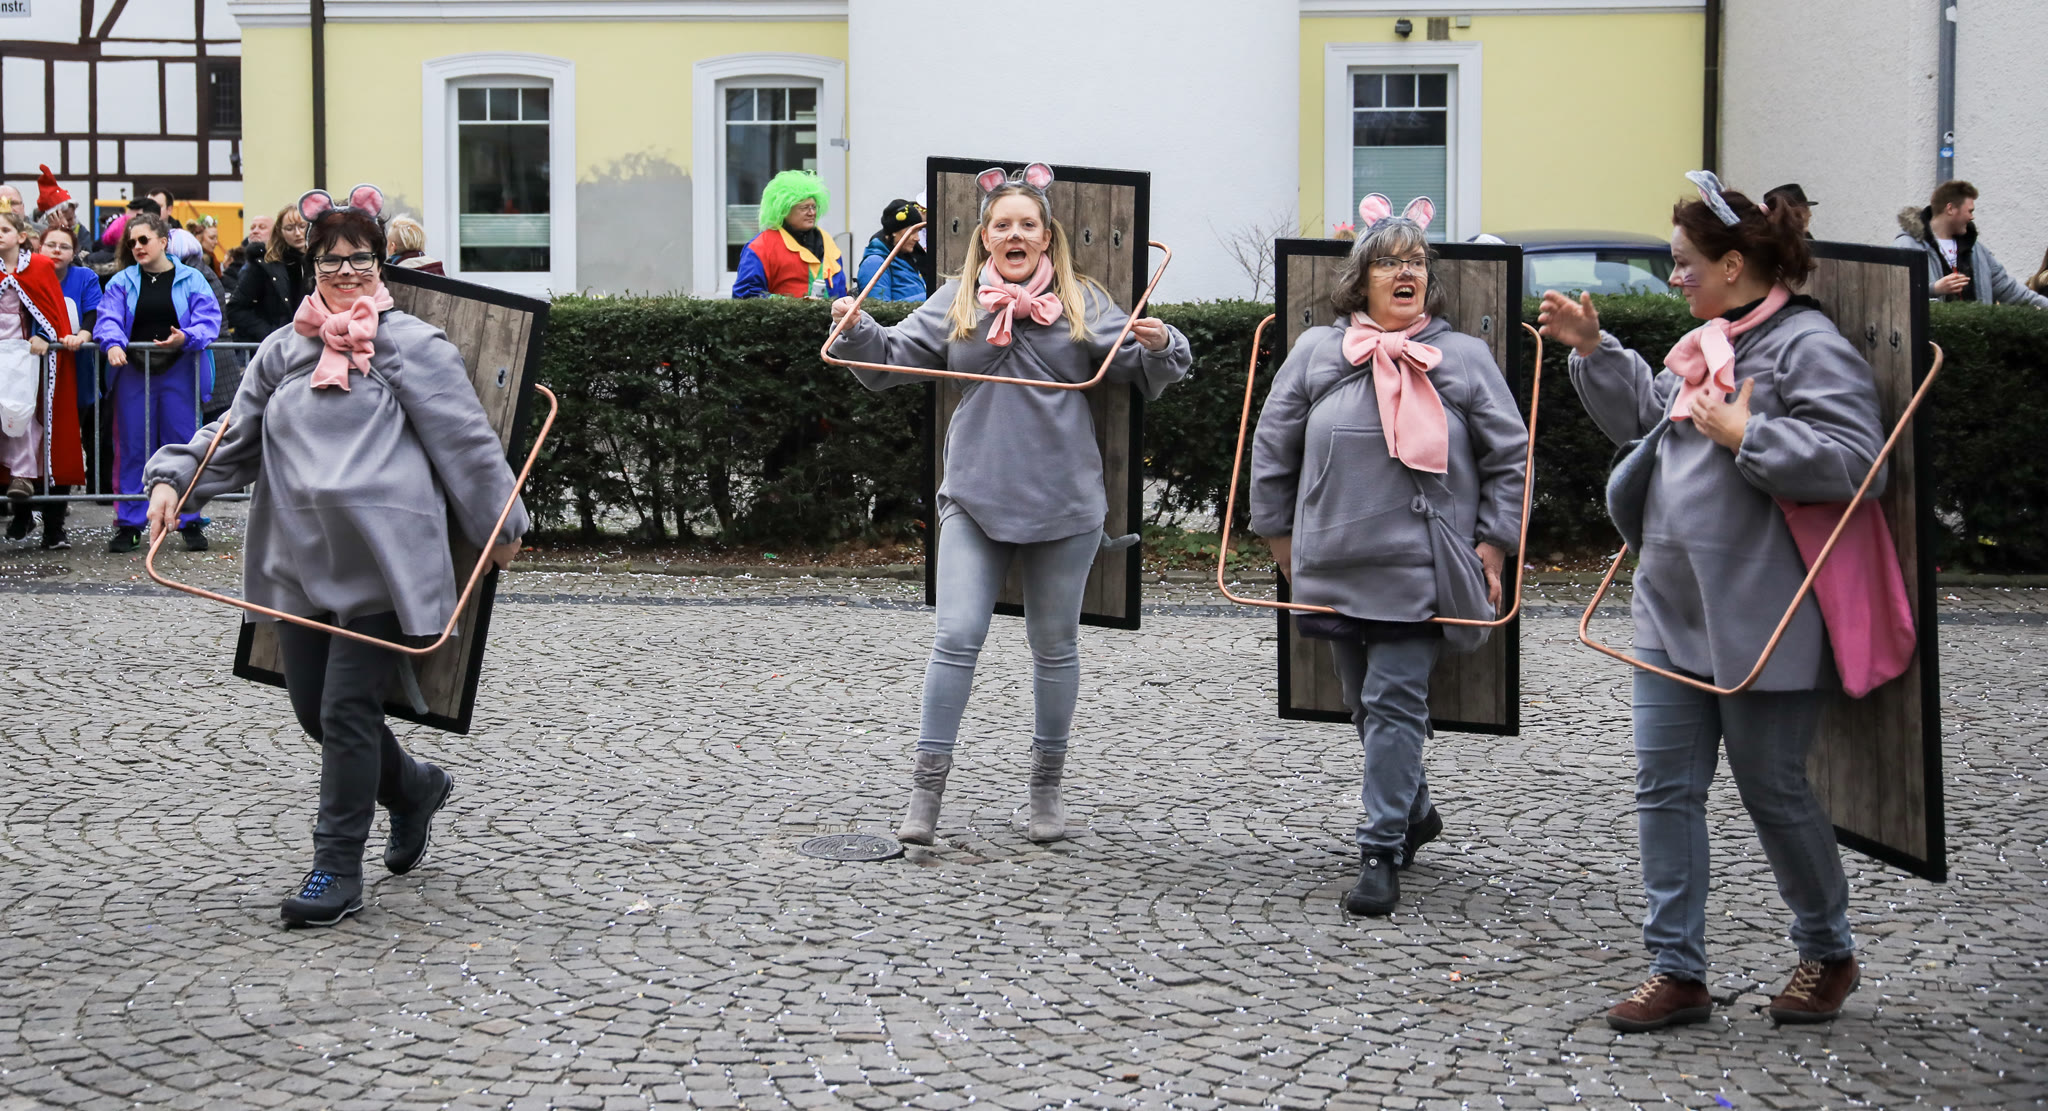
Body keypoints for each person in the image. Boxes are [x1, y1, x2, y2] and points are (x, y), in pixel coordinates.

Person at [1541, 171, 1886, 1032]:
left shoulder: (1806, 347)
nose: (1674, 276)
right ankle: (1677, 969)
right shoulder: (1708, 341)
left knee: (1774, 790)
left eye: (1684, 262)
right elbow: (1649, 418)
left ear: (1733, 264)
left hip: (1766, 619)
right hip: (1671, 608)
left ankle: (1828, 948)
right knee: (1664, 788)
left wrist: (1748, 433)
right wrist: (1594, 348)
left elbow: (1860, 462)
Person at [143, 184, 527, 928]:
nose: (346, 271)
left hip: (382, 561)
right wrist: (173, 477)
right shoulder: (282, 350)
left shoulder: (413, 345)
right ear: (310, 265)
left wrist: (501, 524)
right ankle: (414, 788)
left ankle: (335, 869)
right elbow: (233, 436)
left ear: (381, 264)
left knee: (348, 709)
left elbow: (467, 444)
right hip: (300, 559)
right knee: (315, 712)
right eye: (331, 259)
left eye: (360, 259)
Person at [827, 163, 1192, 847]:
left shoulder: (1083, 299)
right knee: (956, 636)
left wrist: (1164, 343)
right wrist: (855, 328)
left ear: (1047, 235)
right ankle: (925, 796)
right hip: (975, 494)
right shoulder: (956, 298)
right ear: (985, 237)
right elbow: (889, 360)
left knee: (1054, 646)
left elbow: (1150, 368)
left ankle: (1045, 794)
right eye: (1003, 225)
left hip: (1065, 501)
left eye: (1028, 224)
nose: (1015, 234)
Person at [1250, 194, 1527, 919]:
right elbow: (1272, 445)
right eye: (1388, 262)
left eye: (1416, 262)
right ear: (1360, 279)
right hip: (1333, 561)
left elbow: (1510, 455)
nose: (1405, 273)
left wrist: (1495, 543)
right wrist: (1279, 537)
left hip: (1423, 563)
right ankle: (1416, 810)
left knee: (1394, 699)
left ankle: (1379, 850)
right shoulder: (1318, 351)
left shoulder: (1463, 357)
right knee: (1362, 702)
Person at [94, 211, 221, 553]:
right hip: (133, 371)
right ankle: (129, 523)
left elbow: (209, 319)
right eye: (132, 242)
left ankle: (189, 518)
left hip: (181, 369)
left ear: (163, 241)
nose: (137, 246)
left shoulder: (192, 278)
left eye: (144, 240)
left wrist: (186, 337)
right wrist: (113, 343)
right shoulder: (121, 281)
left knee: (184, 444)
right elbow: (108, 317)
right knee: (131, 445)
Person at [12, 223, 102, 547]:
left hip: (73, 371)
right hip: (28, 374)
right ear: (40, 247)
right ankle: (23, 513)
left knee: (63, 446)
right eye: (51, 245)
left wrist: (82, 335)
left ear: (74, 252)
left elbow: (94, 313)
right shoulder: (27, 275)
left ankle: (54, 525)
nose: (57, 251)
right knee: (22, 443)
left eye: (64, 246)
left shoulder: (84, 278)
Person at [0, 211, 87, 537]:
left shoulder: (37, 268)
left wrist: (44, 336)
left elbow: (50, 311)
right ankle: (16, 498)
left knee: (25, 418)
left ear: (21, 236)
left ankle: (25, 480)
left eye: (5, 229)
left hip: (27, 360)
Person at [1894, 180, 2048, 308]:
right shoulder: (1907, 245)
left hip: (1974, 336)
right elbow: (1894, 292)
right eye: (1970, 211)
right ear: (1950, 209)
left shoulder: (1977, 250)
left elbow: (2010, 290)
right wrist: (1934, 289)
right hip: (1932, 337)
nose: (1972, 217)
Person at [733, 170, 846, 299]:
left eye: (814, 207)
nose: (812, 213)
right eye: (804, 208)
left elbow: (841, 289)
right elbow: (746, 296)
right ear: (784, 210)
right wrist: (791, 305)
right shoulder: (761, 247)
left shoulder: (827, 242)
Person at [228, 205, 310, 344]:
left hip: (310, 343)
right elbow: (235, 309)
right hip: (275, 345)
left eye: (302, 226)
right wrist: (270, 334)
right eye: (289, 228)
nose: (297, 233)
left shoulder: (319, 263)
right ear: (280, 232)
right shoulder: (263, 265)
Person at [854, 199, 929, 300]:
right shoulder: (874, 263)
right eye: (911, 231)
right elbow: (877, 307)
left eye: (918, 231)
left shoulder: (909, 259)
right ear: (894, 231)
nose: (917, 238)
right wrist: (928, 298)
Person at [227, 213, 274, 287]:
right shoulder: (235, 267)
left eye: (262, 227)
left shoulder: (282, 263)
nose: (255, 231)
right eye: (252, 228)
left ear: (275, 234)